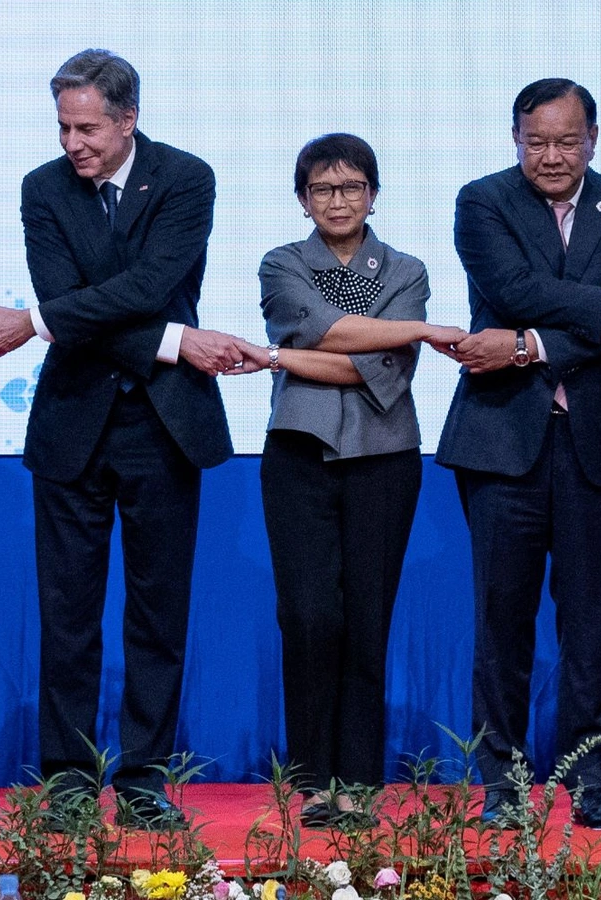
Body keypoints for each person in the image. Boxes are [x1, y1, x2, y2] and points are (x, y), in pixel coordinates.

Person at [0, 49, 243, 829]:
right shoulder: (42, 188)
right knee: (69, 611)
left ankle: (147, 777)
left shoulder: (186, 178)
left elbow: (148, 287)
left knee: (158, 613)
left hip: (164, 424)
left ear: (128, 119)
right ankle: (69, 780)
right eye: (63, 126)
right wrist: (173, 341)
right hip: (74, 424)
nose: (73, 143)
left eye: (88, 127)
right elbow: (70, 295)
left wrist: (45, 323)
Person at [437, 78, 601, 829]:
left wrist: (525, 343)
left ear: (593, 139)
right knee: (501, 621)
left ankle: (593, 782)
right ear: (515, 138)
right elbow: (513, 287)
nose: (551, 157)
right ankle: (503, 785)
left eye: (566, 141)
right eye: (536, 141)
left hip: (597, 442)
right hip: (501, 442)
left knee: (590, 621)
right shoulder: (482, 201)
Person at [228, 134, 463, 828]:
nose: (338, 200)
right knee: (306, 617)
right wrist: (400, 334)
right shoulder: (281, 264)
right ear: (303, 199)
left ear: (373, 194)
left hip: (385, 459)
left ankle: (357, 784)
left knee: (366, 618)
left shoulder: (407, 270)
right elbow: (327, 331)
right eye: (324, 189)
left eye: (352, 187)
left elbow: (381, 372)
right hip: (296, 454)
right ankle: (310, 780)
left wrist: (282, 357)